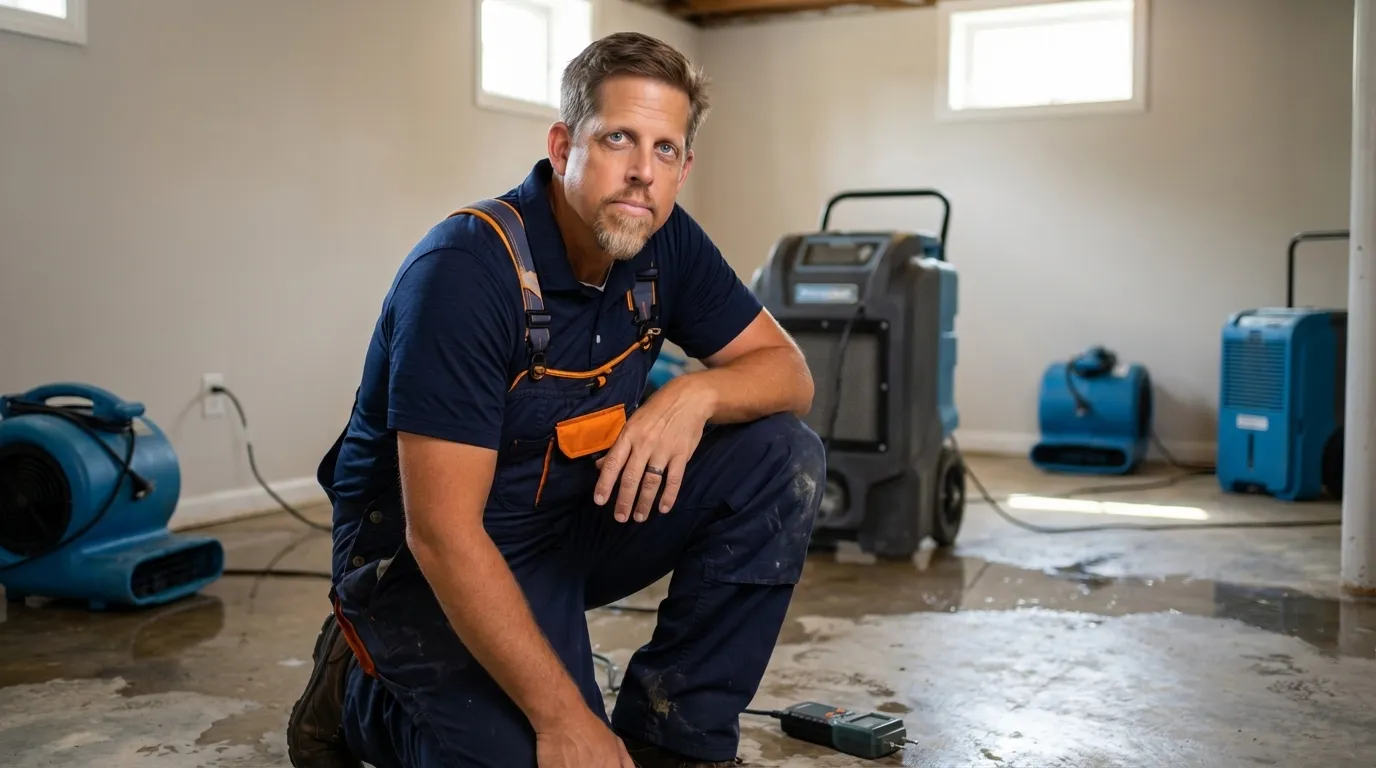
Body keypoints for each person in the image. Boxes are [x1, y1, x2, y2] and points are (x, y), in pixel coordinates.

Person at [286, 31, 825, 768]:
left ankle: (674, 739)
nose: (642, 172)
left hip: (567, 526)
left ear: (684, 167)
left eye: (665, 150)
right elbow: (442, 534)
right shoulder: (465, 273)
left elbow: (789, 376)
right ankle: (359, 699)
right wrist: (566, 720)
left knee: (781, 455)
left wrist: (695, 394)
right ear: (564, 143)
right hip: (424, 563)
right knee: (534, 752)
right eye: (618, 139)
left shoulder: (665, 244)